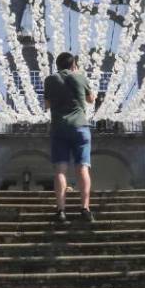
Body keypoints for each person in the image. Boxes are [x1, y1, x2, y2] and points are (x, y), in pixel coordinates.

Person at [42, 52, 96, 223]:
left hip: (59, 127)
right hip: (80, 127)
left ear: (57, 66)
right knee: (83, 168)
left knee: (60, 170)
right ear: (73, 65)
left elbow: (47, 104)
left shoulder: (50, 80)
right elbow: (91, 100)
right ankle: (85, 209)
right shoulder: (80, 77)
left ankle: (61, 210)